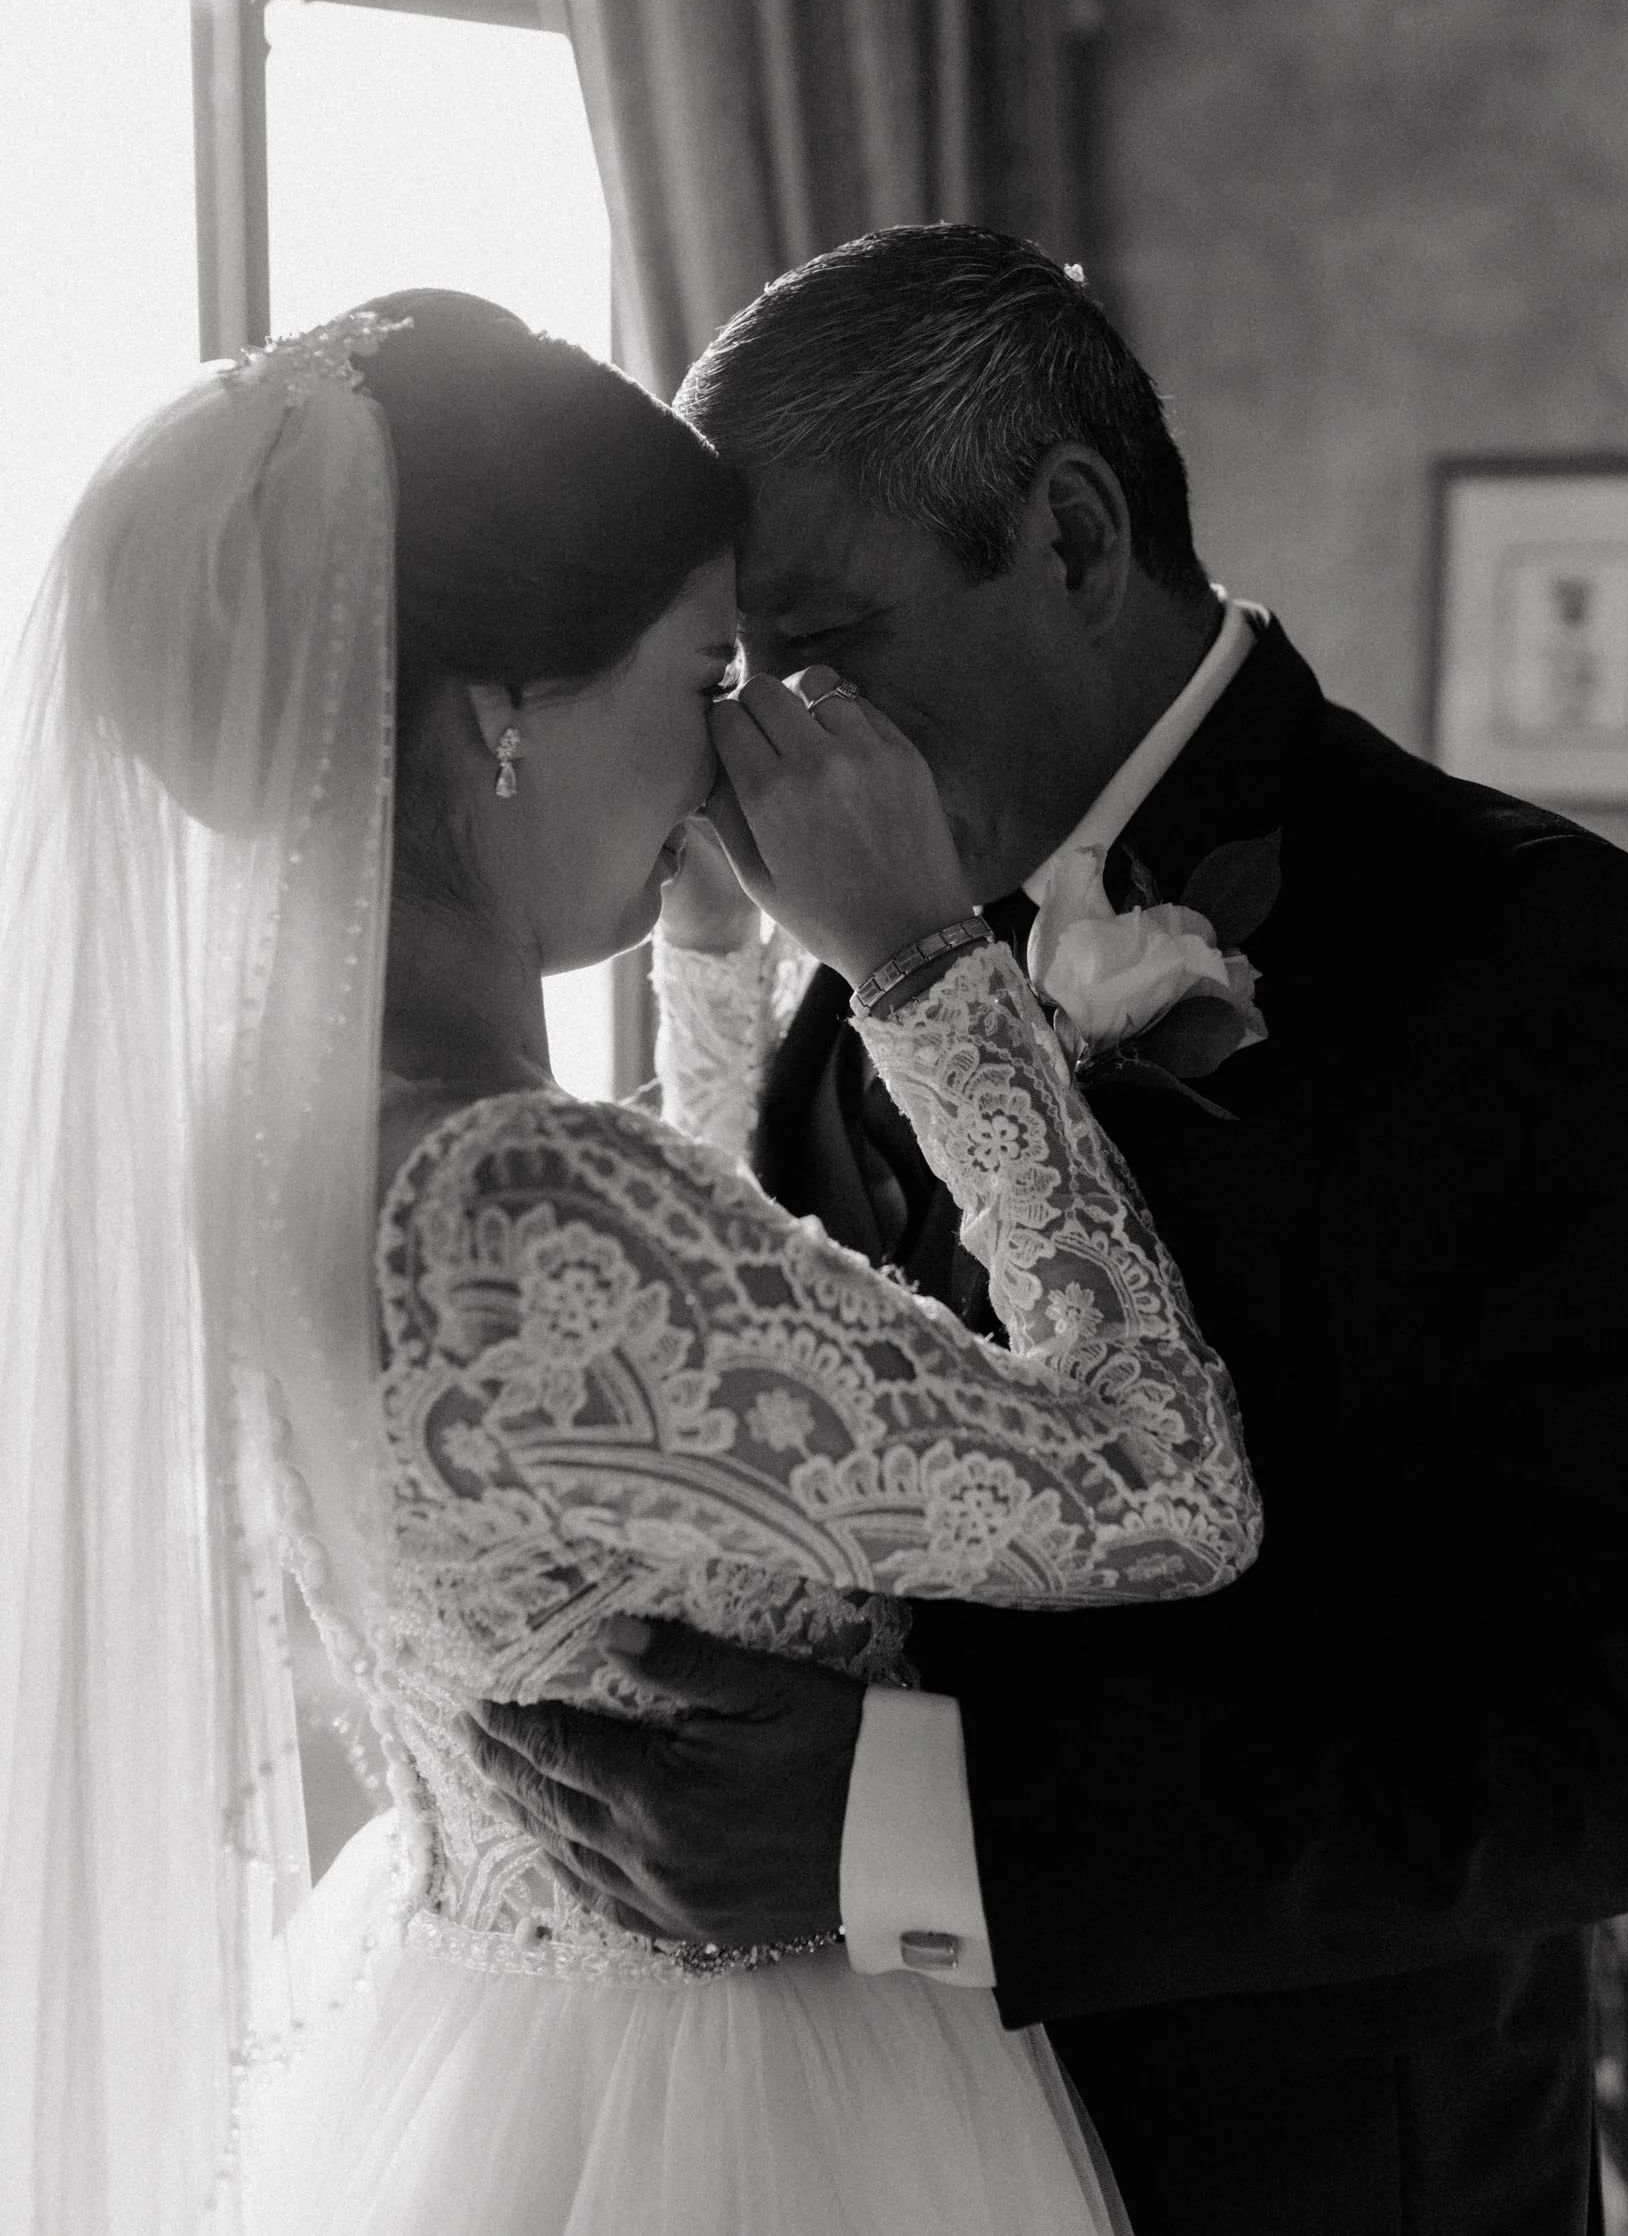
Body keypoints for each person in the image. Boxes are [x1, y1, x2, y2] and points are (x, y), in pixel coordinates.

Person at [0, 287, 1263, 2235]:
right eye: (702, 671)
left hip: (491, 2048)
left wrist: (709, 971)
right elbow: (1164, 1485)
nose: (732, 753)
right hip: (758, 2112)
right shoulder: (518, 1192)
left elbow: (645, 1417)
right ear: (510, 708)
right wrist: (931, 976)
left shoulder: (274, 1137)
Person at [468, 227, 1628, 2236]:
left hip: (1320, 2177)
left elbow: (1625, 1722)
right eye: (738, 681)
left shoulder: (1541, 958)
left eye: (823, 646)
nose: (769, 757)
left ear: (1077, 532)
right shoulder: (857, 948)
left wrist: (911, 1830)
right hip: (868, 2149)